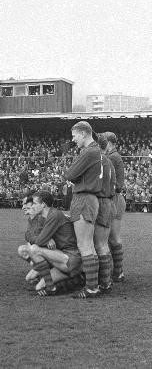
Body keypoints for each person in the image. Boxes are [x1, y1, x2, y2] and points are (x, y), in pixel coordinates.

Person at [65, 121, 103, 299]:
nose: (73, 140)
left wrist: (74, 178)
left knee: (84, 245)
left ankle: (91, 288)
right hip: (91, 198)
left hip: (84, 198)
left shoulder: (89, 151)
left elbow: (70, 174)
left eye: (74, 136)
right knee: (90, 246)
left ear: (83, 133)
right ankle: (93, 286)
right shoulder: (97, 151)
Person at [26, 191, 83, 296]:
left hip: (71, 258)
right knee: (37, 286)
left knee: (34, 249)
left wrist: (44, 239)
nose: (31, 206)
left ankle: (52, 287)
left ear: (43, 204)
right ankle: (74, 279)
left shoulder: (54, 215)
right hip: (60, 257)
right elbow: (28, 235)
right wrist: (47, 238)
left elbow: (38, 241)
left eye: (34, 203)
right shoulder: (44, 217)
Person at [95, 133, 117, 293]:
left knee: (99, 244)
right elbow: (115, 184)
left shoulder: (98, 161)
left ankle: (103, 282)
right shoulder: (109, 161)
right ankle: (106, 281)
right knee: (103, 244)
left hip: (101, 203)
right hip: (110, 203)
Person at [103, 132, 126, 282]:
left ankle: (117, 272)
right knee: (111, 238)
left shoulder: (111, 157)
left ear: (109, 142)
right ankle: (117, 271)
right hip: (117, 198)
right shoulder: (114, 155)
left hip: (114, 199)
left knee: (112, 238)